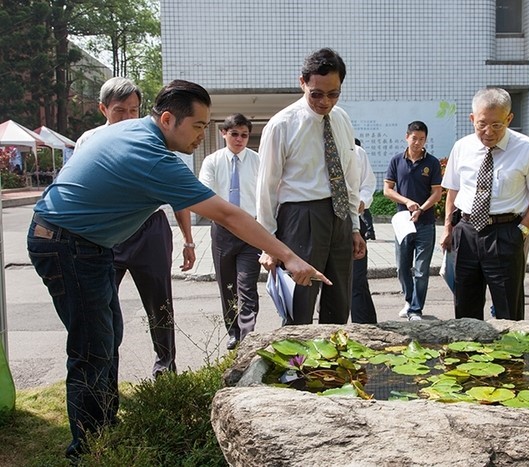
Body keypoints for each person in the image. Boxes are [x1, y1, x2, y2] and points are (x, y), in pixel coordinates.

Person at [27, 79, 329, 460]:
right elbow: (227, 214)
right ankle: (86, 450)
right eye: (199, 126)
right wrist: (289, 256)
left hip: (88, 242)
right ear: (168, 119)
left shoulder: (136, 131)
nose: (202, 134)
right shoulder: (154, 157)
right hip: (64, 243)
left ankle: (104, 426)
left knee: (108, 335)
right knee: (92, 347)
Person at [74, 77, 194, 378]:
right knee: (101, 308)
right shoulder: (89, 141)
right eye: (120, 111)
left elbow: (181, 196)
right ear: (103, 109)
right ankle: (104, 376)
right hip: (106, 235)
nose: (128, 117)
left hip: (149, 229)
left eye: (134, 110)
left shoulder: (155, 142)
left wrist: (188, 239)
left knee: (160, 303)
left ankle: (165, 368)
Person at [257, 47, 365, 326]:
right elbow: (266, 187)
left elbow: (349, 176)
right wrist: (268, 245)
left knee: (339, 302)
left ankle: (331, 366)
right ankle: (296, 369)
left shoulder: (342, 119)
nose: (325, 101)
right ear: (302, 82)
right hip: (300, 218)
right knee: (299, 303)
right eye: (316, 93)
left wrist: (354, 226)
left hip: (339, 215)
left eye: (333, 94)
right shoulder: (282, 124)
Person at [440, 87, 529, 321]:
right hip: (466, 230)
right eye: (482, 124)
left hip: (505, 232)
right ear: (472, 118)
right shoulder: (462, 147)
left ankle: (509, 356)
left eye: (497, 125)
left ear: (509, 118)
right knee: (465, 305)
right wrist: (447, 228)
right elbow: (453, 189)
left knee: (508, 307)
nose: (488, 132)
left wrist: (522, 230)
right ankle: (468, 354)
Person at [199, 114, 261, 349]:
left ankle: (247, 334)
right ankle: (233, 331)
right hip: (223, 229)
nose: (239, 139)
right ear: (223, 133)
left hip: (250, 229)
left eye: (244, 135)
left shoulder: (257, 161)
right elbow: (205, 192)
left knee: (247, 284)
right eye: (234, 134)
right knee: (227, 285)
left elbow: (266, 194)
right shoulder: (212, 161)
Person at [384, 121, 443, 321]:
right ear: (406, 137)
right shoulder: (396, 161)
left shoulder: (432, 163)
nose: (418, 142)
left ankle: (416, 309)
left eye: (422, 139)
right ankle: (409, 300)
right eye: (414, 138)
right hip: (403, 222)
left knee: (421, 268)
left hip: (425, 222)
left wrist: (421, 208)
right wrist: (408, 202)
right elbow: (388, 190)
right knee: (402, 267)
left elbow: (437, 193)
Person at [351, 139, 377, 324]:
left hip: (353, 226)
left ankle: (366, 330)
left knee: (356, 280)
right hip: (319, 225)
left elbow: (368, 185)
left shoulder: (358, 153)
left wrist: (362, 200)